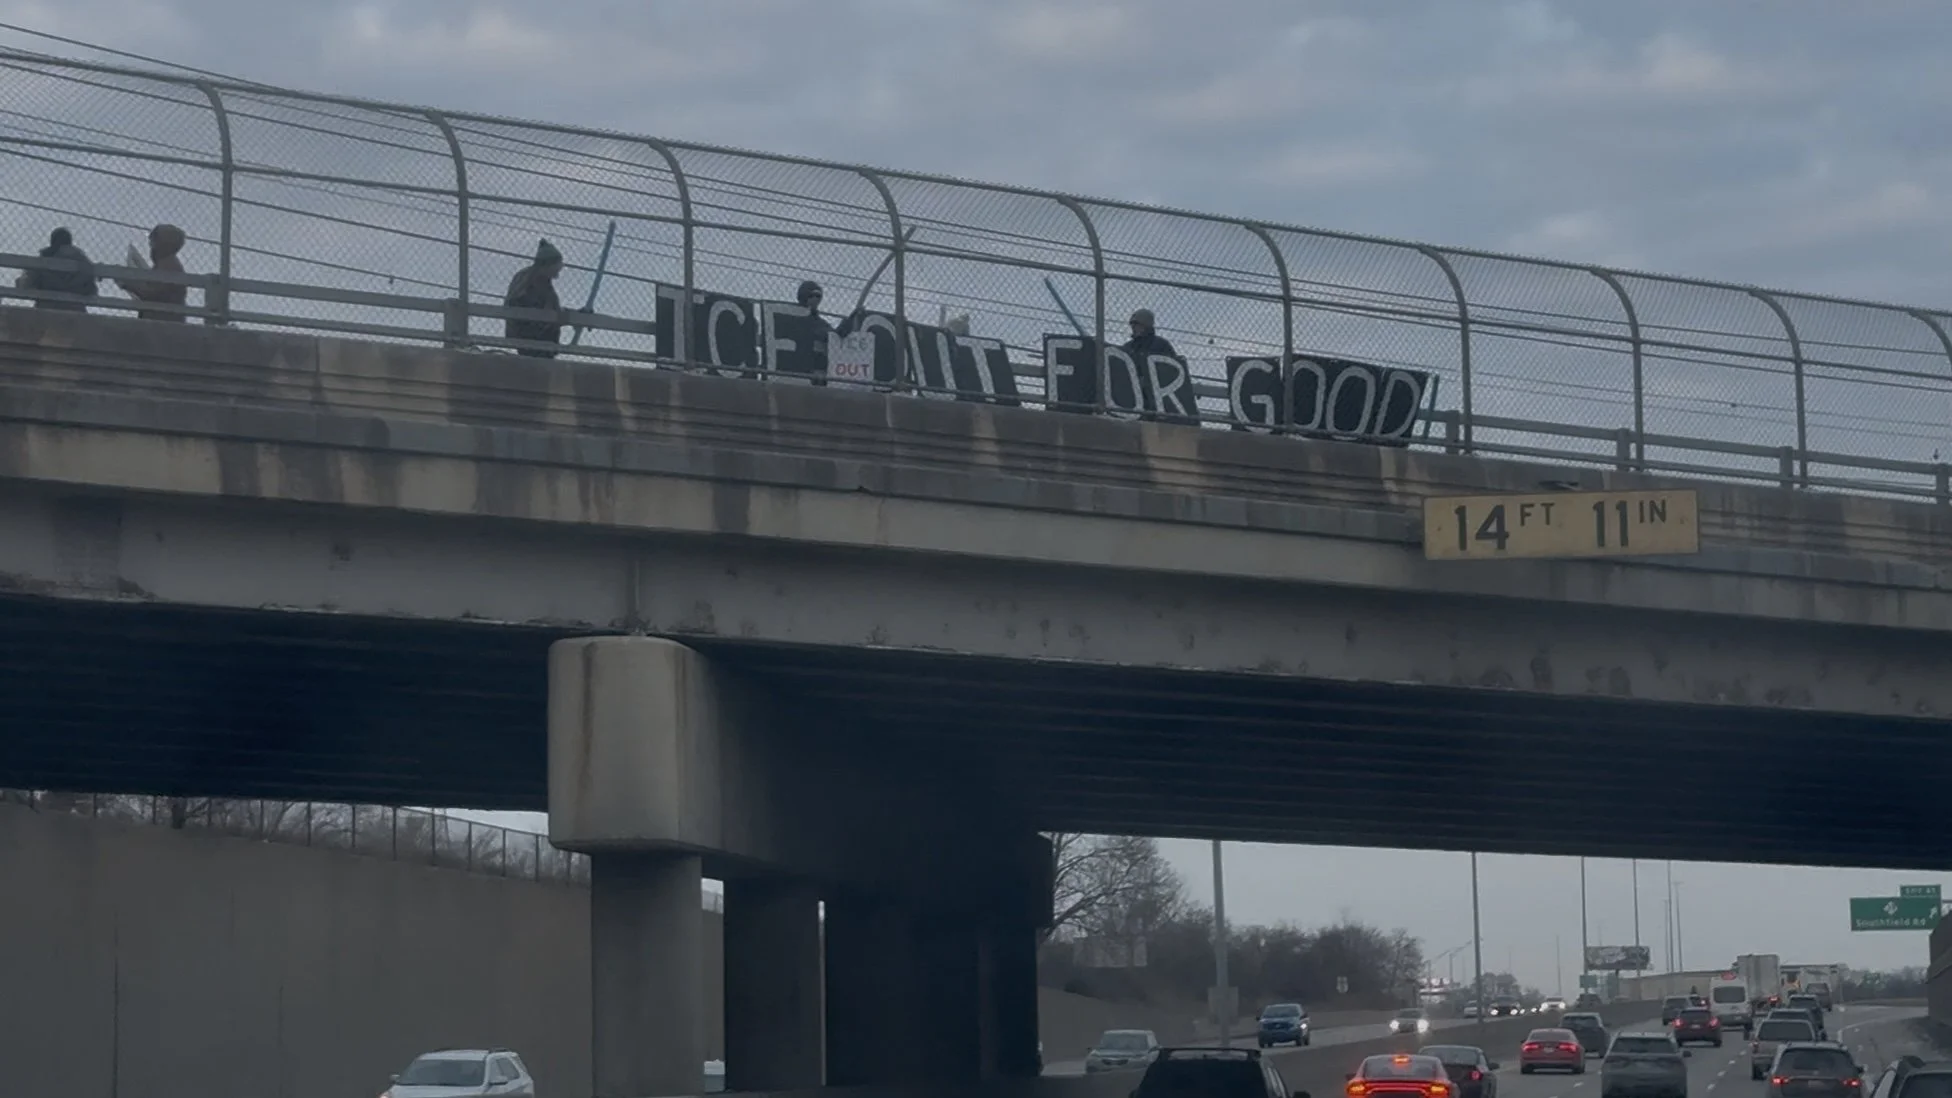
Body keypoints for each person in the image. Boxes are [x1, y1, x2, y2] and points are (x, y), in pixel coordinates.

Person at [504, 238, 570, 358]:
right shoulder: (527, 280)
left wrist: (572, 314)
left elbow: (554, 310)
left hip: (542, 339)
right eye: (557, 266)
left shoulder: (545, 284)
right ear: (548, 264)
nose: (559, 269)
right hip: (528, 336)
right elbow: (518, 302)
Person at [117, 223, 189, 322]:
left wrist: (127, 282)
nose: (150, 245)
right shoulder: (166, 263)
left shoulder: (169, 266)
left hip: (164, 322)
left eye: (153, 241)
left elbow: (151, 293)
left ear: (162, 244)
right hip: (164, 319)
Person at [21, 227, 97, 312]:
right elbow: (91, 290)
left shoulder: (45, 258)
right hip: (75, 309)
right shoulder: (82, 260)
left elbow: (27, 284)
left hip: (46, 308)